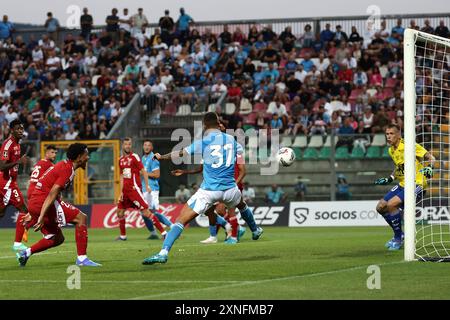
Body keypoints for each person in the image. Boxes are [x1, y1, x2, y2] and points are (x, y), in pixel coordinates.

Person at [142, 112, 263, 264]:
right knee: (242, 205)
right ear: (218, 123)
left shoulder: (203, 142)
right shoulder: (232, 140)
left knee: (181, 219)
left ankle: (163, 252)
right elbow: (238, 154)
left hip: (210, 191)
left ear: (205, 125)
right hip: (230, 189)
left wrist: (161, 157)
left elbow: (180, 154)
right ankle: (255, 230)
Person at [17, 143, 101, 267]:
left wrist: (33, 211)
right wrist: (40, 216)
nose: (88, 157)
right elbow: (51, 194)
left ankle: (26, 253)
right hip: (43, 202)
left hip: (37, 202)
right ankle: (82, 259)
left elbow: (46, 187)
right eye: (86, 155)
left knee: (57, 238)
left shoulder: (64, 165)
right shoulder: (67, 169)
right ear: (79, 157)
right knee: (81, 218)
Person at [374, 124, 435, 250]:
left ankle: (397, 238)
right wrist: (389, 178)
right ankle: (400, 235)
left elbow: (431, 158)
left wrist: (429, 167)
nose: (388, 136)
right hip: (403, 184)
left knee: (391, 205)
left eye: (391, 133)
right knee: (380, 207)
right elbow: (399, 167)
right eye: (387, 134)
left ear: (398, 135)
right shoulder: (391, 150)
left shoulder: (409, 146)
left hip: (417, 183)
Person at [115, 138, 167, 241]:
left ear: (131, 145)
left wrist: (147, 185)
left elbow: (143, 171)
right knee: (120, 212)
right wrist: (120, 192)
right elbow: (121, 176)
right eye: (126, 144)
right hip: (125, 191)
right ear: (123, 146)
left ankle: (164, 233)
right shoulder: (120, 160)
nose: (128, 146)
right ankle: (123, 236)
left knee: (146, 213)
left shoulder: (135, 157)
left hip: (134, 190)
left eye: (129, 144)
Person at [13, 145, 57, 252]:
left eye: (55, 153)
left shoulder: (40, 162)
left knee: (38, 213)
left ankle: (30, 230)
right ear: (46, 154)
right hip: (38, 190)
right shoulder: (49, 165)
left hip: (32, 188)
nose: (54, 155)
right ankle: (26, 230)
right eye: (52, 152)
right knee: (40, 212)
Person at [141, 140, 173, 240]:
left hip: (152, 189)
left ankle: (172, 227)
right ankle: (153, 233)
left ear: (152, 148)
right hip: (144, 188)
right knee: (144, 213)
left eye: (149, 145)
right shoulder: (143, 158)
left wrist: (144, 173)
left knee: (152, 212)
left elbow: (157, 174)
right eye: (145, 145)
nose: (146, 147)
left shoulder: (153, 158)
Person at [0, 120, 28, 229]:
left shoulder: (17, 144)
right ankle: (18, 243)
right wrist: (18, 162)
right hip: (7, 183)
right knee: (24, 210)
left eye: (22, 128)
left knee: (1, 213)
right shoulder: (8, 144)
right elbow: (2, 166)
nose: (21, 131)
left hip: (10, 181)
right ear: (12, 131)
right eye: (18, 129)